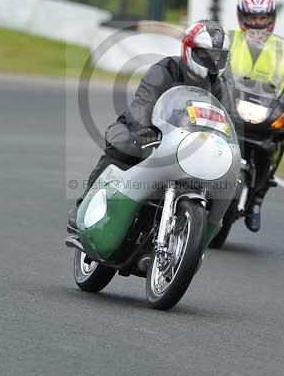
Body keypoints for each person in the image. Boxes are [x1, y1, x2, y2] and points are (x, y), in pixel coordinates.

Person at [68, 20, 231, 230]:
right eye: (206, 54)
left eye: (218, 56)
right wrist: (144, 129)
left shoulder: (217, 86)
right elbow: (144, 102)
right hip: (149, 132)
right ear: (189, 50)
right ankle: (84, 205)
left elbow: (225, 120)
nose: (212, 61)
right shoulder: (165, 70)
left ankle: (199, 226)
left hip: (189, 142)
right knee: (124, 145)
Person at [227, 0, 284, 232]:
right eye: (253, 17)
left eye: (263, 18)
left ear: (271, 18)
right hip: (232, 103)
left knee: (275, 142)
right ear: (242, 16)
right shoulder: (230, 40)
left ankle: (257, 200)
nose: (258, 23)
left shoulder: (282, 49)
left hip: (264, 107)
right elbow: (215, 62)